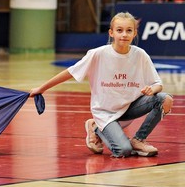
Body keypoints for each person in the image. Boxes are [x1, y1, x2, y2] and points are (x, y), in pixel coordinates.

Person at [29, 12, 173, 157]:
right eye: (119, 30)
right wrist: (41, 88)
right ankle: (96, 127)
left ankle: (139, 139)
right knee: (123, 150)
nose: (124, 34)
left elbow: (158, 84)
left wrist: (152, 89)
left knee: (165, 99)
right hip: (105, 113)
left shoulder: (141, 55)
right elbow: (70, 72)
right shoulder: (98, 54)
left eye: (129, 30)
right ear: (111, 33)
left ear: (134, 33)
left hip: (130, 107)